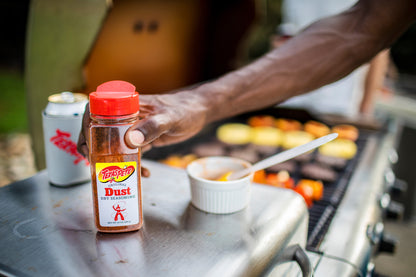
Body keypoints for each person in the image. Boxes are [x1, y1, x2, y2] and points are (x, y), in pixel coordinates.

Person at [78, 0, 416, 170]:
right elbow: (355, 28)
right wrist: (201, 102)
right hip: (286, 89)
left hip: (338, 101)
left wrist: (364, 107)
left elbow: (369, 35)